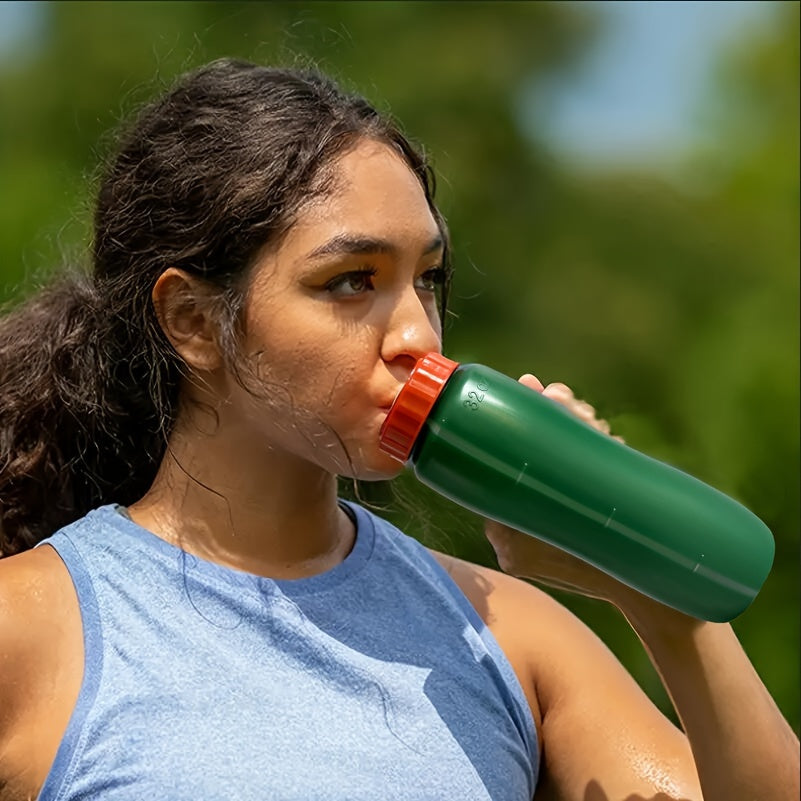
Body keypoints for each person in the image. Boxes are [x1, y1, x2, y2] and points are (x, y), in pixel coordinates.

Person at [0, 58, 797, 801]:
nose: (417, 333)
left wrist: (644, 582)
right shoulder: (33, 628)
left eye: (428, 278)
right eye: (352, 282)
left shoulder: (507, 635)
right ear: (193, 321)